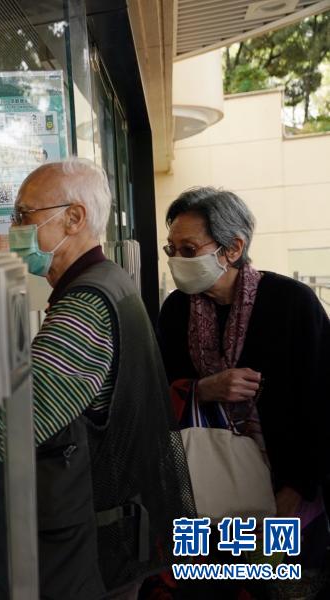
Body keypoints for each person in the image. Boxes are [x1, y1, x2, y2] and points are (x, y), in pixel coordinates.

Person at [0, 158, 194, 599]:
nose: (14, 228)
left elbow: (9, 427)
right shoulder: (110, 281)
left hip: (87, 553)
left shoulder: (86, 307)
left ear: (74, 218)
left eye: (24, 215)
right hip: (107, 540)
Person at [157, 187, 330, 597]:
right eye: (172, 249)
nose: (177, 260)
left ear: (233, 248)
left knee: (275, 587)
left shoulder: (292, 303)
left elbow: (322, 402)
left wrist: (296, 489)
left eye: (189, 249)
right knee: (207, 588)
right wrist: (201, 390)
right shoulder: (176, 310)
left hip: (284, 495)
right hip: (202, 499)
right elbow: (158, 395)